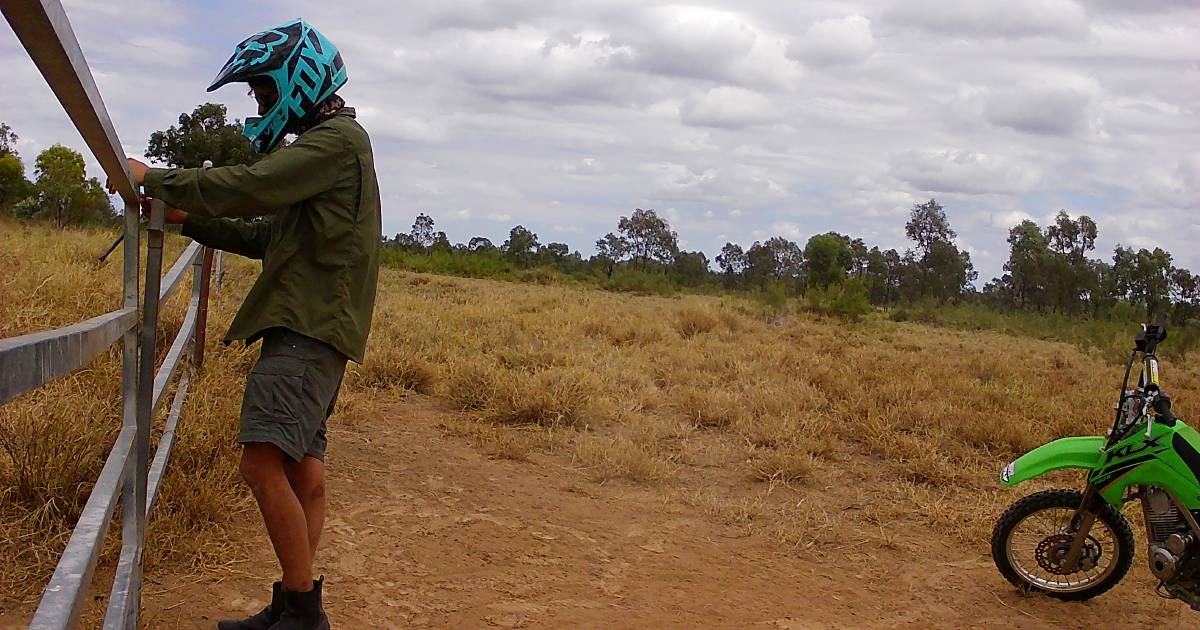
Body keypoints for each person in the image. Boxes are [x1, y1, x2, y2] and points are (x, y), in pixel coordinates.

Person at [112, 19, 380, 630]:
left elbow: (253, 189)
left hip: (305, 330)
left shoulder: (335, 142)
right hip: (319, 329)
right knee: (302, 470)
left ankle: (303, 613)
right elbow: (270, 237)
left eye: (261, 90)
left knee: (260, 461)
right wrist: (187, 217)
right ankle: (294, 603)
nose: (258, 104)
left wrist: (151, 177)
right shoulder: (333, 147)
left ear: (295, 79)